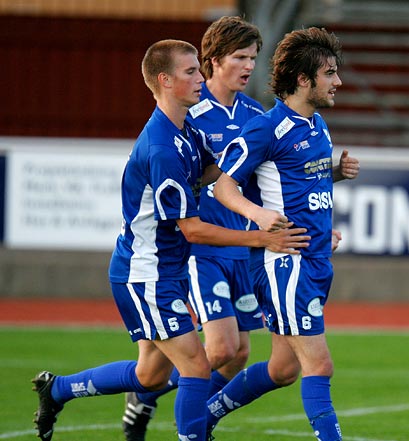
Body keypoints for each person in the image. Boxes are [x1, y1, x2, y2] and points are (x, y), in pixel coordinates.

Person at [31, 39, 309, 441]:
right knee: (199, 364)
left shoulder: (186, 129)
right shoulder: (161, 147)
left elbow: (223, 174)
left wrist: (306, 180)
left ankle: (57, 389)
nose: (200, 78)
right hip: (147, 273)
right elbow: (192, 229)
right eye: (191, 72)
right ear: (164, 80)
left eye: (199, 69)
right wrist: (261, 238)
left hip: (164, 269)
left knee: (150, 374)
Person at [121, 17, 268, 441]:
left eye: (253, 59)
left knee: (237, 355)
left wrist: (324, 181)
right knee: (216, 351)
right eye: (240, 57)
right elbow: (169, 178)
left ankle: (167, 402)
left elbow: (262, 177)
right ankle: (189, 420)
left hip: (238, 248)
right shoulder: (188, 115)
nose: (248, 67)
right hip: (201, 247)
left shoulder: (255, 116)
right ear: (213, 61)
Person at [209, 27, 359, 440]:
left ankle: (201, 418)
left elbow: (301, 183)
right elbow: (223, 186)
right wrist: (257, 216)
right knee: (319, 364)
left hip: (314, 259)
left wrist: (335, 177)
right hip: (284, 263)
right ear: (303, 80)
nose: (338, 82)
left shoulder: (317, 126)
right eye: (329, 73)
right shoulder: (266, 129)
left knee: (282, 369)